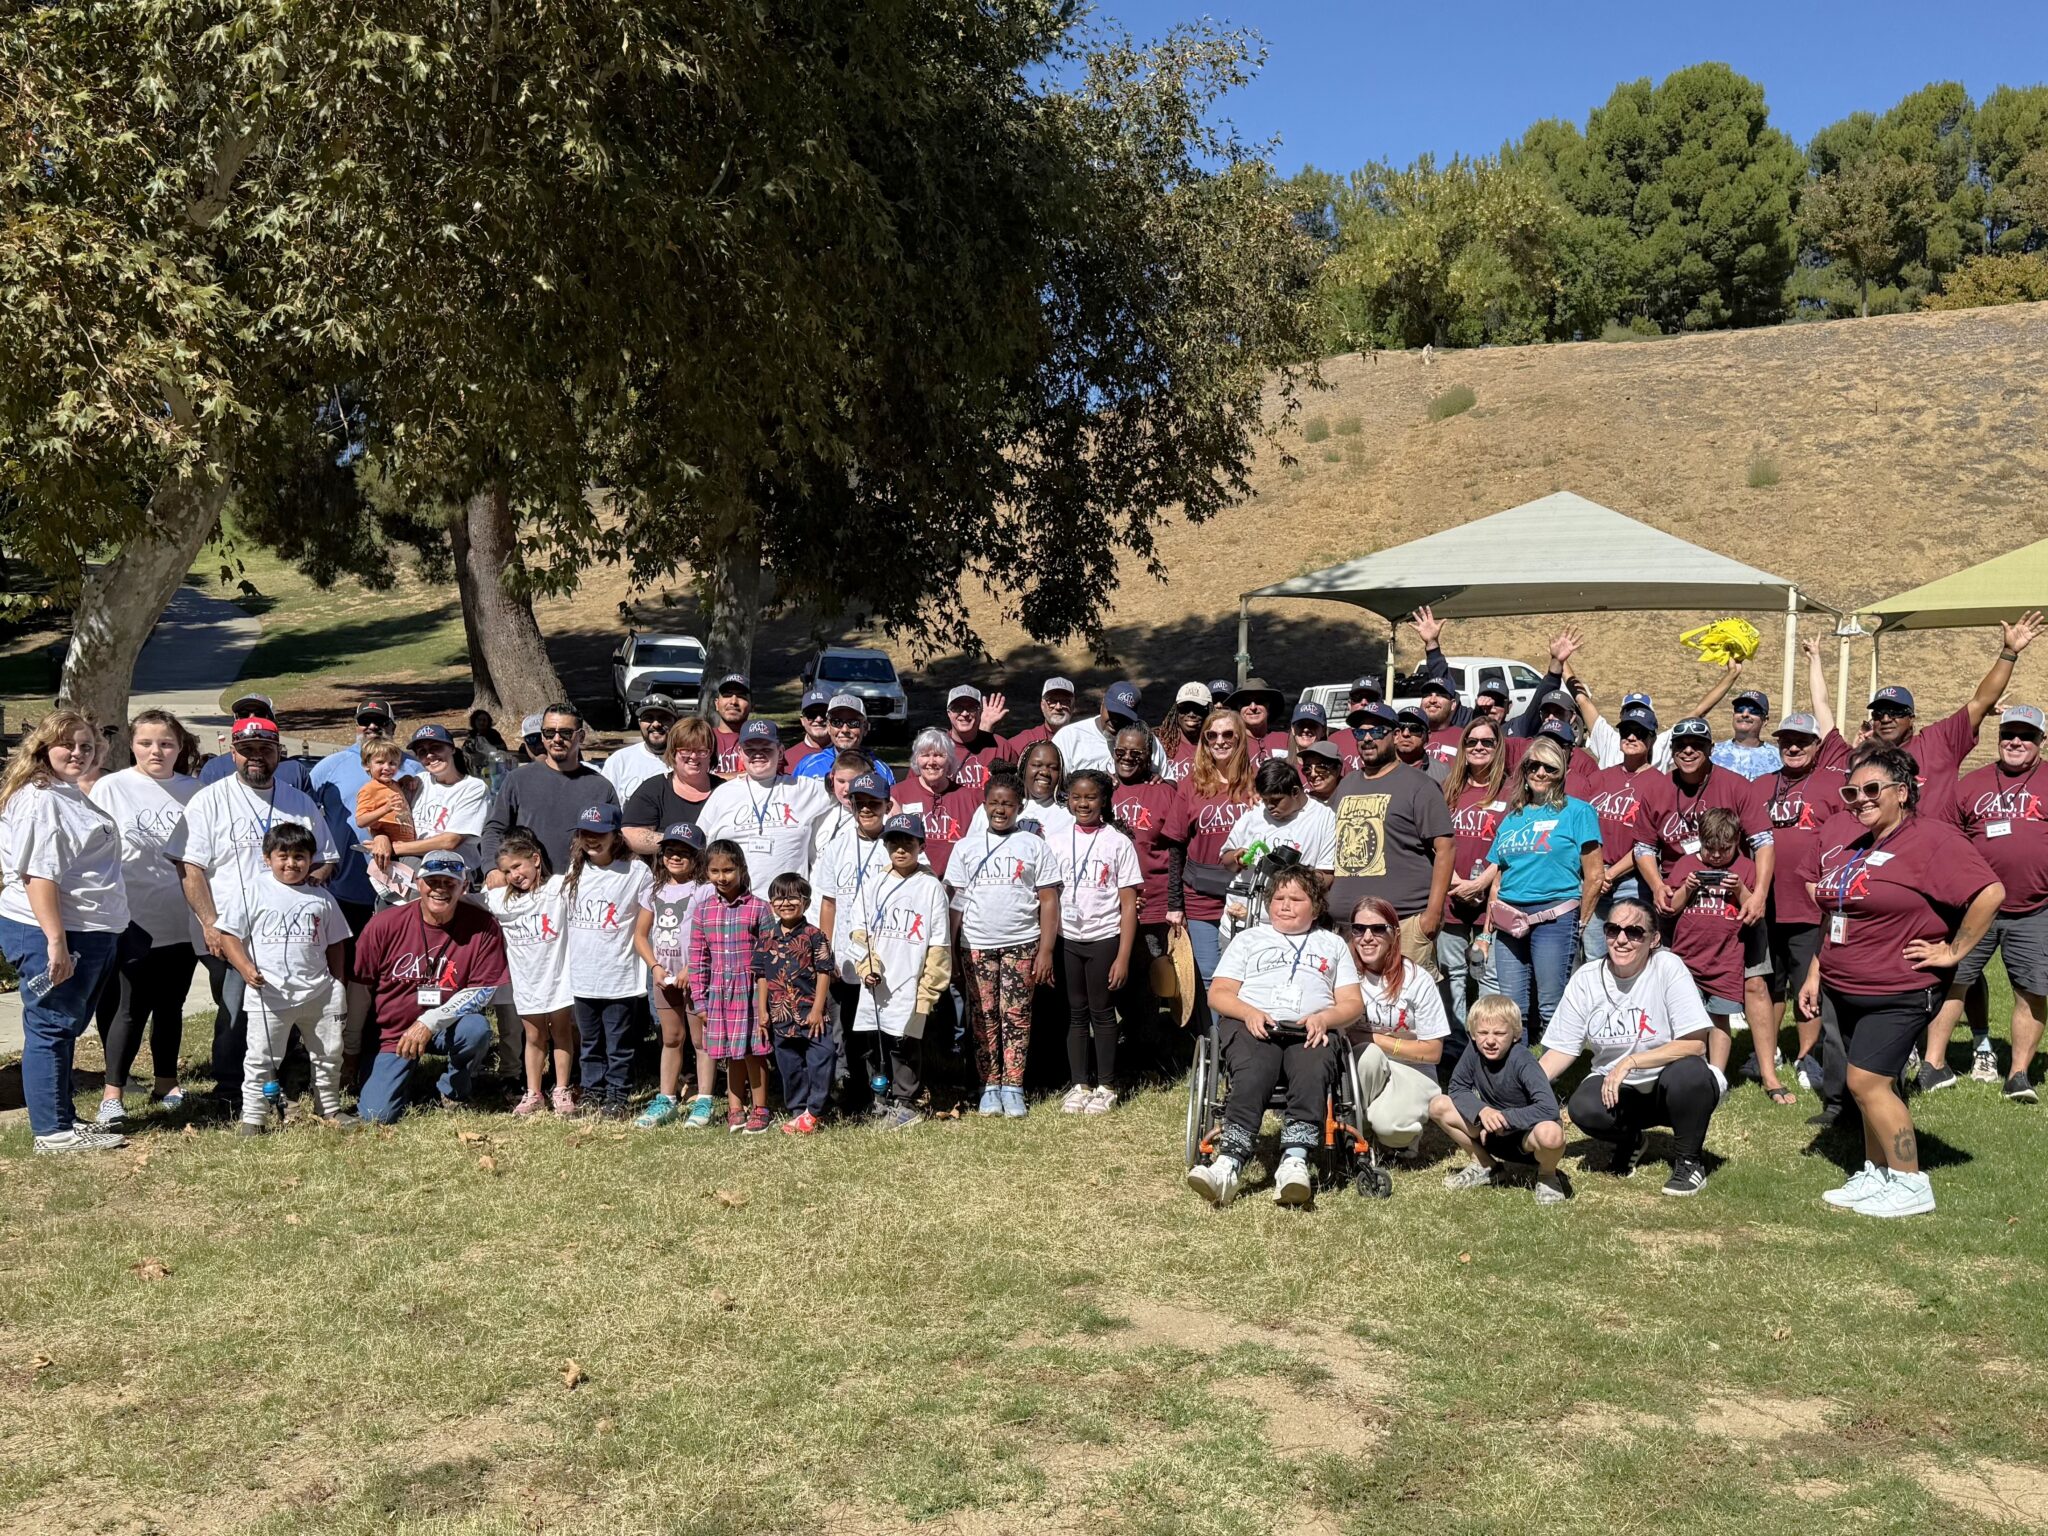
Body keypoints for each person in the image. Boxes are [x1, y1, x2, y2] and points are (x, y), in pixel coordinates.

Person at [1798, 746, 2003, 1218]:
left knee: (1868, 1083)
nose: (1860, 799)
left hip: (1898, 990)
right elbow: (1838, 915)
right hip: (1847, 986)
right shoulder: (1864, 843)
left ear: (1902, 793)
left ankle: (1911, 1183)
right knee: (1865, 1086)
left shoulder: (1932, 839)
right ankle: (1878, 1172)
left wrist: (1953, 951)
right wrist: (1817, 971)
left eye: (1873, 789)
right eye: (1853, 791)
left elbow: (1990, 892)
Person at [168, 715, 338, 1116]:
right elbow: (189, 868)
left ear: (279, 751)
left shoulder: (299, 801)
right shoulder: (209, 799)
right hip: (230, 932)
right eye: (247, 751)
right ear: (234, 754)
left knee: (293, 1008)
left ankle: (282, 1083)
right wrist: (210, 923)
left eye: (265, 749)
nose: (256, 758)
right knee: (237, 1012)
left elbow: (326, 858)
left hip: (289, 933)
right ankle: (231, 1089)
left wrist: (310, 883)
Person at [1187, 869, 1363, 1208]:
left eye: (1296, 899)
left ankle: (1294, 1162)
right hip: (1253, 1025)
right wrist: (1248, 1012)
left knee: (1313, 1069)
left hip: (1309, 1029)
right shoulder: (1249, 939)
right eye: (1279, 899)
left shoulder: (1332, 944)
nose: (1285, 906)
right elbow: (1219, 994)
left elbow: (1353, 1002)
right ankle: (1228, 1165)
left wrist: (1325, 1018)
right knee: (1254, 1070)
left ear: (1315, 906)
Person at [0, 710, 132, 1154]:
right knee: (50, 1026)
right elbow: (39, 876)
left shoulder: (62, 792)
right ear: (43, 747)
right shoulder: (43, 799)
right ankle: (52, 1133)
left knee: (63, 1027)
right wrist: (56, 942)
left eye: (87, 746)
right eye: (68, 745)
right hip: (57, 931)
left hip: (83, 929)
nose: (78, 753)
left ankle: (63, 1119)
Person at [1632, 715, 1779, 1089]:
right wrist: (1657, 885)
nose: (1688, 752)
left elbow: (1763, 840)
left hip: (1737, 900)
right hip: (1679, 900)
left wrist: (1759, 894)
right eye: (1681, 746)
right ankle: (1673, 1067)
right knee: (1674, 987)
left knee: (1755, 985)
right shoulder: (1658, 789)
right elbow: (1644, 847)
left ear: (1711, 749)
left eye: (1697, 745)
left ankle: (1768, 1074)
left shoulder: (1735, 786)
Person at [1539, 895, 1721, 1196]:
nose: (1621, 939)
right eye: (1613, 930)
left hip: (1669, 1081)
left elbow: (1695, 1044)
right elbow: (1561, 1048)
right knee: (1583, 1106)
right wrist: (1518, 1087)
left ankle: (1689, 1161)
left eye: (1634, 932)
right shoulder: (1586, 978)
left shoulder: (1667, 967)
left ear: (1654, 939)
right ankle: (1632, 1140)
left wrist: (1631, 1061)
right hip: (1618, 1089)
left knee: (1690, 1074)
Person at [90, 710, 203, 1123]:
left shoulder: (196, 790)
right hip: (131, 918)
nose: (156, 751)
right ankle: (112, 1093)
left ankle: (166, 1081)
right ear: (132, 745)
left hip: (183, 917)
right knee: (129, 1007)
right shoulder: (111, 788)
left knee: (171, 1004)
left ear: (179, 746)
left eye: (166, 743)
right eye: (146, 743)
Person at [212, 822, 352, 1133]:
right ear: (267, 858)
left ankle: (328, 1108)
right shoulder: (253, 891)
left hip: (320, 993)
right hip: (270, 995)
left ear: (311, 859)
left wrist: (338, 983)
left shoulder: (322, 898)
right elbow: (229, 936)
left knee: (328, 1055)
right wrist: (246, 968)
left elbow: (336, 942)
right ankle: (254, 1118)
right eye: (283, 856)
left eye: (300, 857)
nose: (291, 864)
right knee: (262, 1058)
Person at [351, 851, 508, 1123]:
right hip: (392, 1030)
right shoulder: (384, 924)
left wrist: (428, 1022)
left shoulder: (483, 927)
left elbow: (483, 991)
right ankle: (395, 1074)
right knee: (376, 1115)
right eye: (432, 881)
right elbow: (360, 986)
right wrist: (350, 1047)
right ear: (419, 884)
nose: (440, 889)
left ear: (464, 887)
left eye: (449, 883)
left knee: (476, 1029)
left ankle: (453, 1089)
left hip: (446, 1026)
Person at [1465, 735, 1601, 1039]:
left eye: (1550, 768)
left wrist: (1580, 922)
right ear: (1524, 771)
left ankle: (1556, 1080)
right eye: (1533, 766)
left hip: (1555, 917)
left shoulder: (1578, 812)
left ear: (1562, 772)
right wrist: (1486, 934)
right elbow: (1497, 882)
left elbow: (1594, 875)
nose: (1540, 773)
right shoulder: (1512, 818)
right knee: (1513, 1012)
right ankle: (1517, 1077)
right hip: (1509, 919)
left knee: (1552, 1007)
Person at [1944, 703, 2047, 1102]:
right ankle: (1936, 1063)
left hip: (2037, 908)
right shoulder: (1971, 784)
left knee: (2032, 990)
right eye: (2008, 734)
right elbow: (1951, 842)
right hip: (1976, 907)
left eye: (2026, 735)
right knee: (1954, 979)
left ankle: (2018, 1075)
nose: (2016, 741)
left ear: (2041, 741)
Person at [1861, 611, 2041, 831]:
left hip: (1931, 851)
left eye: (1896, 712)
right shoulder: (1865, 758)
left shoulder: (1938, 742)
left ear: (1912, 719)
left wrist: (2009, 652)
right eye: (1878, 713)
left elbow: (1980, 702)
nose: (1886, 718)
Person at [1759, 692, 1853, 1113]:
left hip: (1810, 904)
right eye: (1785, 741)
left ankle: (1808, 1057)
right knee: (1768, 984)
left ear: (1818, 746)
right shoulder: (1762, 785)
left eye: (1802, 740)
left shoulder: (1834, 785)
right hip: (1766, 903)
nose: (1793, 747)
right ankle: (1771, 1053)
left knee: (1808, 988)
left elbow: (1850, 836)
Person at [947, 772, 1060, 1117]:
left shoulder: (1034, 846)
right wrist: (951, 950)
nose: (1000, 810)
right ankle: (989, 1085)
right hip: (976, 944)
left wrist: (1046, 950)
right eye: (994, 803)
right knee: (983, 1017)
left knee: (1017, 1017)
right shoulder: (965, 847)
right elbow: (956, 904)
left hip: (1022, 942)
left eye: (1007, 804)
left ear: (1019, 807)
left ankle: (1013, 1086)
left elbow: (1048, 900)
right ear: (984, 806)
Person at [841, 813, 952, 1128]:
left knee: (905, 1043)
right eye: (894, 843)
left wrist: (928, 991)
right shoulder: (873, 883)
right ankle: (881, 1099)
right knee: (876, 1042)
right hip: (877, 982)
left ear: (921, 845)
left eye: (908, 842)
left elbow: (939, 945)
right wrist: (867, 966)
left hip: (911, 982)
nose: (901, 849)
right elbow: (858, 931)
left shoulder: (931, 888)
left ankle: (906, 1103)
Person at [1328, 701, 1454, 979]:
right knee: (1356, 1016)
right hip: (1350, 929)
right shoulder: (1346, 784)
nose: (1368, 738)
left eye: (1377, 731)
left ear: (1395, 735)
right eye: (1360, 733)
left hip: (1404, 924)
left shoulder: (1419, 785)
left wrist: (1431, 916)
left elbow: (1445, 849)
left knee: (1406, 1015)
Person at [1056, 770, 1142, 1114]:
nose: (1083, 803)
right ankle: (1079, 1084)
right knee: (1076, 1014)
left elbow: (1128, 903)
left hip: (1104, 937)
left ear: (1104, 800)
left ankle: (1106, 1085)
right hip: (1068, 938)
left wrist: (1123, 956)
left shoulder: (1118, 842)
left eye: (1090, 797)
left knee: (1102, 1013)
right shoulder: (1057, 839)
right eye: (1076, 797)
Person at [562, 803, 653, 1122]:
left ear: (616, 835)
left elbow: (647, 921)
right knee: (590, 1042)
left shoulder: (637, 871)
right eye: (585, 833)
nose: (591, 839)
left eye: (599, 833)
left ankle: (617, 1096)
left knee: (618, 1044)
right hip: (583, 975)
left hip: (619, 975)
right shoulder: (575, 869)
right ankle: (592, 1092)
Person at [1430, 995, 1569, 1203]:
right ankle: (1485, 1166)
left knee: (1552, 1133)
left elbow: (1549, 1108)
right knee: (1438, 1105)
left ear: (1515, 1035)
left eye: (1500, 1033)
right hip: (1491, 1133)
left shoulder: (1523, 1060)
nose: (1490, 1040)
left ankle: (1547, 1176)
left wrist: (1505, 1119)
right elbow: (1457, 1087)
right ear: (1473, 1034)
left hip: (1528, 1139)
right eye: (1483, 1033)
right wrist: (1482, 1111)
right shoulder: (1473, 1051)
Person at [1344, 895, 1449, 1166]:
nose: (1367, 937)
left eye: (1378, 929)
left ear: (1394, 933)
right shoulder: (1343, 976)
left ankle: (1396, 1134)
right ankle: (1357, 1135)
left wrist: (1376, 1039)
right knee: (1368, 1055)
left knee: (1391, 1128)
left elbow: (1434, 1051)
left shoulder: (1417, 979)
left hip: (1412, 1069)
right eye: (1359, 929)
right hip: (1363, 1066)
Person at [1664, 808, 1762, 1081]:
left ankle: (1717, 1077)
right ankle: (1690, 1073)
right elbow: (1671, 907)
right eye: (1710, 849)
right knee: (1686, 1019)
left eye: (1724, 849)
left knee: (1720, 1018)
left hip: (1726, 958)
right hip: (1688, 957)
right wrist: (1687, 887)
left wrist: (1740, 889)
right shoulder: (1686, 864)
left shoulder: (1746, 868)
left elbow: (1754, 910)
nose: (1717, 855)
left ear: (1736, 842)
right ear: (1700, 841)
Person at [484, 829, 577, 1117]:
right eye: (507, 871)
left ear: (536, 859)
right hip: (527, 982)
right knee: (534, 1036)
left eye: (517, 866)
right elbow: (471, 898)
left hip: (559, 978)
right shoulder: (502, 901)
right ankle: (533, 1092)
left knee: (561, 1033)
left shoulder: (558, 888)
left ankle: (561, 1088)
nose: (513, 875)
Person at [309, 701, 422, 935]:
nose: (371, 726)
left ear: (393, 726)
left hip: (400, 882)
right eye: (364, 721)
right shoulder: (331, 765)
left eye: (379, 721)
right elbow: (304, 810)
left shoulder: (414, 767)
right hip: (346, 884)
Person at [1174, 709, 1258, 1025]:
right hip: (1202, 896)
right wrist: (1175, 903)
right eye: (1212, 735)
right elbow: (1176, 847)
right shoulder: (1190, 785)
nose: (1220, 741)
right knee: (1210, 976)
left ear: (1240, 738)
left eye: (1227, 734)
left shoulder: (1256, 783)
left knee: (1247, 978)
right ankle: (1216, 1048)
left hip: (1248, 896)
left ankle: (1244, 1049)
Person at [687, 840, 777, 1131]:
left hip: (749, 991)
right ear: (706, 872)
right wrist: (700, 1002)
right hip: (719, 993)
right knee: (730, 1051)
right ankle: (735, 1108)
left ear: (741, 869)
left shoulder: (759, 909)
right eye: (715, 871)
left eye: (728, 870)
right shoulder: (702, 912)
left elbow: (769, 959)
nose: (722, 877)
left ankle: (761, 1107)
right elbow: (698, 959)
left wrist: (765, 1002)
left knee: (754, 1050)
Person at [631, 823, 711, 1128]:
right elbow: (640, 935)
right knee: (671, 1038)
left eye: (684, 852)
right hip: (664, 978)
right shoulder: (654, 890)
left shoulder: (705, 890)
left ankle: (703, 1100)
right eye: (670, 852)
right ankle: (666, 1099)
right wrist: (655, 966)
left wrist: (692, 969)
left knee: (700, 1040)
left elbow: (710, 936)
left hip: (697, 976)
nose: (676, 857)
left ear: (697, 857)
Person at [480, 704, 618, 877]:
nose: (557, 739)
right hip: (529, 887)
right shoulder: (518, 779)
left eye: (566, 733)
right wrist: (492, 869)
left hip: (583, 887)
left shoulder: (601, 787)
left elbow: (616, 841)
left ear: (581, 736)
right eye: (549, 733)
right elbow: (494, 829)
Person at [697, 719, 835, 887]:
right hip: (735, 906)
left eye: (766, 749)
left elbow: (845, 791)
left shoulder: (803, 788)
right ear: (740, 753)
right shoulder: (723, 794)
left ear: (781, 751)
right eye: (750, 749)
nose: (758, 754)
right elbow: (699, 844)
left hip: (787, 904)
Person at [1438, 720, 1508, 1045]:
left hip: (1491, 897)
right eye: (1472, 742)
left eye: (1487, 742)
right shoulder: (1448, 791)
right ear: (1463, 748)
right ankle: (1454, 1045)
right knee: (1451, 972)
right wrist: (1453, 880)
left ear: (1498, 749)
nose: (1479, 747)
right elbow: (1434, 841)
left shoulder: (1510, 794)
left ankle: (1488, 1043)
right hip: (1450, 895)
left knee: (1487, 975)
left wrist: (1481, 882)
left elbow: (1511, 849)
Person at [748, 871, 832, 1135]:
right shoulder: (766, 937)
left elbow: (824, 971)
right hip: (780, 1014)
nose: (785, 903)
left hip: (811, 1013)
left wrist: (818, 1009)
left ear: (805, 902)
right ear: (772, 903)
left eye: (792, 898)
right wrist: (761, 1011)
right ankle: (799, 1110)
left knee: (822, 1057)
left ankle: (816, 1109)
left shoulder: (814, 935)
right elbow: (761, 975)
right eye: (779, 899)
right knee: (789, 1064)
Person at [1580, 700, 1661, 962]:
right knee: (1593, 953)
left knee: (1629, 954)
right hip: (1592, 877)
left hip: (1630, 882)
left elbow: (1649, 842)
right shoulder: (1601, 777)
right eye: (1626, 731)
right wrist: (1596, 874)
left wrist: (1611, 874)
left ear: (1652, 739)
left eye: (1640, 732)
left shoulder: (1660, 784)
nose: (1631, 737)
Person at [383, 724, 492, 877]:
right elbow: (389, 819)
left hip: (452, 876)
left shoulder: (473, 788)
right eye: (422, 752)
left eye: (436, 747)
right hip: (408, 870)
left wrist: (395, 848)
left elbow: (450, 841)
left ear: (452, 748)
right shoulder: (418, 781)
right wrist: (381, 838)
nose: (429, 755)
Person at [1221, 760, 1338, 891]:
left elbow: (1327, 876)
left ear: (1295, 792)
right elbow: (1227, 861)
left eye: (1276, 800)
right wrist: (1237, 858)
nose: (1269, 806)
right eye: (1265, 799)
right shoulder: (1256, 810)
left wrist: (1297, 878)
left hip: (1288, 908)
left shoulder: (1324, 818)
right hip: (1242, 906)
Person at [622, 715, 717, 856]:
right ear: (673, 752)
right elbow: (631, 834)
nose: (694, 756)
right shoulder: (653, 789)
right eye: (685, 750)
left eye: (702, 751)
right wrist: (680, 843)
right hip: (664, 874)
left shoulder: (724, 791)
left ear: (711, 754)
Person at [889, 729, 971, 877]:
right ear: (916, 760)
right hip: (909, 880)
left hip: (956, 883)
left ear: (950, 760)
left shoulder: (968, 798)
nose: (931, 762)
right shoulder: (897, 795)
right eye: (925, 755)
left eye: (939, 755)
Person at [197, 693, 313, 794]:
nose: (251, 718)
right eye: (243, 714)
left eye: (260, 713)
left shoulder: (295, 770)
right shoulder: (213, 769)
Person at [793, 693, 897, 786]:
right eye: (836, 722)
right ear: (829, 727)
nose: (844, 729)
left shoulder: (882, 771)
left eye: (853, 723)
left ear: (865, 728)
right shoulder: (808, 766)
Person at [601, 695, 678, 800]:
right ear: (639, 723)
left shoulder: (687, 760)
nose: (656, 724)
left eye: (664, 718)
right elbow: (604, 803)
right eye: (649, 718)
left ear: (675, 723)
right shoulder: (620, 760)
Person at [938, 685, 1008, 791]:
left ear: (979, 712)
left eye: (971, 708)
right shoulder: (935, 747)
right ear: (949, 712)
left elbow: (1017, 787)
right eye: (957, 708)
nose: (965, 713)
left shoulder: (999, 745)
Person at [996, 677, 1078, 759]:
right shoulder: (1027, 739)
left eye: (1065, 701)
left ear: (1073, 706)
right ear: (1042, 705)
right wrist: (987, 730)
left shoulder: (1081, 738)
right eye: (1052, 701)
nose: (1058, 707)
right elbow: (1000, 755)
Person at [1712, 688, 1782, 781]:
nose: (1744, 714)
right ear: (1733, 716)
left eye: (1753, 710)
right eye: (1740, 709)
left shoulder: (1778, 758)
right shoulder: (1713, 753)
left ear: (1765, 720)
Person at [1156, 682, 1210, 783]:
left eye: (1198, 708)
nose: (1191, 714)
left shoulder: (1216, 745)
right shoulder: (1160, 743)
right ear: (1176, 711)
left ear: (1208, 712)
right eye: (1185, 708)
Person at [1226, 677, 1287, 764]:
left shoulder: (1285, 740)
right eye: (1245, 702)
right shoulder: (1229, 743)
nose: (1253, 707)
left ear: (1269, 707)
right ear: (1238, 709)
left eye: (1260, 701)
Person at [707, 673, 755, 776]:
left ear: (752, 705)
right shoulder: (703, 738)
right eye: (727, 695)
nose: (733, 701)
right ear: (716, 704)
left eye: (741, 696)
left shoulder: (760, 740)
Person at [785, 687, 834, 774]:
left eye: (824, 713)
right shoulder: (787, 759)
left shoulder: (845, 755)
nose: (818, 719)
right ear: (802, 720)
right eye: (811, 714)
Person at [1297, 740, 1344, 806]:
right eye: (1307, 769)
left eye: (1320, 768)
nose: (1313, 774)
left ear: (1337, 770)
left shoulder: (1351, 798)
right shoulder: (1304, 803)